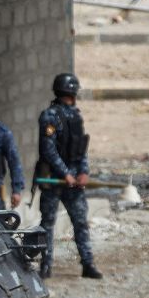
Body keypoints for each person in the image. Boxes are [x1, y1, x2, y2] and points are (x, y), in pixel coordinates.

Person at [36, 73, 102, 279]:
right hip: (53, 179)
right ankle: (45, 266)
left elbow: (81, 147)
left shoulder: (75, 116)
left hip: (73, 179)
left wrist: (83, 172)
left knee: (80, 222)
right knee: (48, 224)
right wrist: (66, 174)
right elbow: (48, 150)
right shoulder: (49, 116)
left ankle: (87, 263)